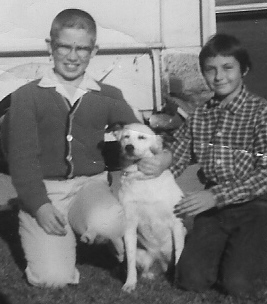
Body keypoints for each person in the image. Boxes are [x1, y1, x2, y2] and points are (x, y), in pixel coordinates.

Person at [1, 8, 171, 288]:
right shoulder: (27, 97)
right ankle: (56, 234)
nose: (73, 56)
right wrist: (39, 206)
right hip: (45, 191)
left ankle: (101, 232)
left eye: (82, 48)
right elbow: (21, 159)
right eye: (64, 46)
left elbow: (143, 134)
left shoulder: (107, 96)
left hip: (89, 188)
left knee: (110, 221)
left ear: (94, 51)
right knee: (51, 279)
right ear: (50, 47)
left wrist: (164, 156)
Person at [171, 33, 267, 297]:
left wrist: (215, 195)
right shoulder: (199, 116)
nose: (219, 77)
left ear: (244, 69)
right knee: (190, 280)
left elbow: (266, 175)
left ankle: (264, 257)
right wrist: (149, 170)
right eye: (210, 70)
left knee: (237, 285)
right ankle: (224, 251)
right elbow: (175, 157)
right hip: (213, 213)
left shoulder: (263, 112)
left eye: (227, 68)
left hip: (252, 207)